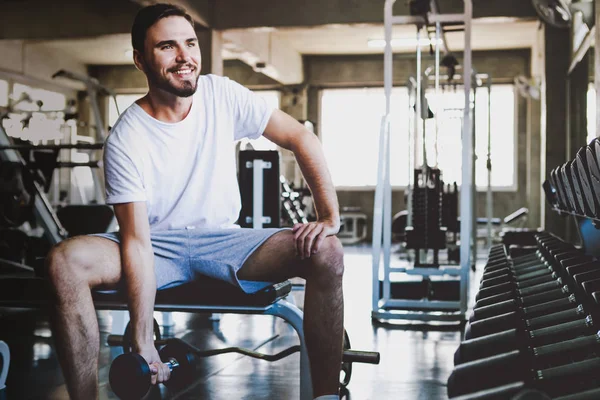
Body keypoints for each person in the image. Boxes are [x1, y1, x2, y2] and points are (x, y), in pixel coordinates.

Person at [45, 3, 344, 400]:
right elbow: (136, 241)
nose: (185, 57)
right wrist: (140, 331)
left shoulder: (221, 94)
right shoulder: (126, 138)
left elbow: (300, 137)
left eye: (190, 43)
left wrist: (329, 216)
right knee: (64, 262)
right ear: (140, 59)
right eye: (167, 46)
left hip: (225, 241)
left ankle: (326, 396)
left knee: (327, 251)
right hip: (156, 245)